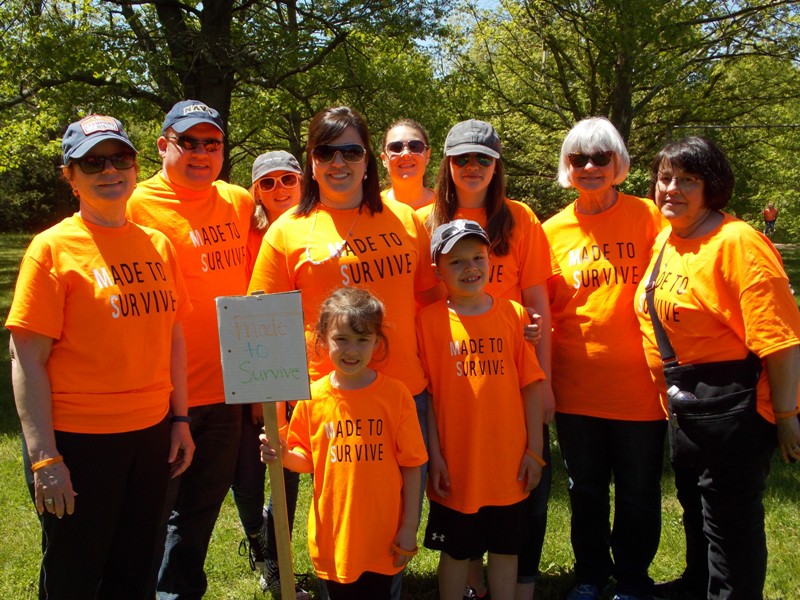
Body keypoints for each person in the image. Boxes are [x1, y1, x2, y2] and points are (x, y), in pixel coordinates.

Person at [248, 104, 439, 599]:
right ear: (311, 161)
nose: (339, 162)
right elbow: (261, 321)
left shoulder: (405, 220)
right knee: (341, 514)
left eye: (351, 151)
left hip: (405, 393)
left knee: (395, 513)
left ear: (367, 161)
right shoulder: (287, 231)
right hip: (330, 399)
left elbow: (430, 299)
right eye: (326, 152)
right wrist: (270, 405)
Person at [7, 114, 194, 599]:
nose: (109, 170)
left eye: (119, 158)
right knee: (75, 575)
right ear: (69, 177)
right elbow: (25, 357)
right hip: (79, 443)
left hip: (151, 436)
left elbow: (173, 334)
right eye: (92, 163)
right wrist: (45, 458)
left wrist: (180, 419)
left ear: (135, 166)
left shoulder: (157, 244)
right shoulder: (51, 250)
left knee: (136, 572)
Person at [636, 136, 800, 600]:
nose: (671, 188)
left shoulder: (738, 244)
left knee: (730, 523)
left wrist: (786, 416)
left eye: (687, 179)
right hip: (689, 407)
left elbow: (781, 340)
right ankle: (696, 586)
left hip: (734, 410)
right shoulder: (668, 237)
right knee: (697, 508)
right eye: (665, 178)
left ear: (712, 186)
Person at [126, 100, 254, 598]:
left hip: (227, 391)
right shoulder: (134, 204)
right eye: (189, 142)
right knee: (149, 516)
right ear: (163, 145)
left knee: (199, 514)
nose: (201, 153)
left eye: (212, 143)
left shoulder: (238, 201)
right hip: (163, 395)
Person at [419, 119, 553, 600]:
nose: (473, 166)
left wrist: (545, 383)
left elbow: (536, 302)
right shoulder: (423, 222)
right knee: (459, 547)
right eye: (462, 158)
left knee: (509, 539)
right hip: (455, 427)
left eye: (483, 158)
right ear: (447, 164)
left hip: (508, 428)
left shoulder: (519, 219)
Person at [543, 117, 667, 600]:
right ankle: (590, 575)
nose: (590, 167)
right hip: (576, 387)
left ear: (619, 163)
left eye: (601, 157)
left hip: (641, 387)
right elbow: (542, 306)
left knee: (639, 492)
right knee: (586, 490)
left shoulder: (650, 217)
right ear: (567, 166)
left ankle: (633, 579)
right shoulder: (551, 231)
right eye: (579, 158)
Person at [259, 286, 427, 599]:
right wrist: (282, 454)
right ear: (323, 339)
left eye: (362, 339)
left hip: (382, 535)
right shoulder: (312, 398)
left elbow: (413, 464)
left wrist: (408, 527)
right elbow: (305, 459)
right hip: (334, 538)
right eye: (341, 339)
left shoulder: (396, 395)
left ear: (377, 341)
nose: (352, 349)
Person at [234, 149, 308, 597]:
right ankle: (265, 547)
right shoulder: (247, 236)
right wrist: (260, 390)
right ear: (256, 191)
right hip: (259, 361)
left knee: (290, 472)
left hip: (310, 364)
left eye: (288, 179)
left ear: (302, 181)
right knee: (254, 476)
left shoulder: (319, 225)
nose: (279, 188)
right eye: (268, 182)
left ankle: (280, 565)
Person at [380, 118, 435, 209]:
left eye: (415, 146)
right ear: (383, 159)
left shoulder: (449, 207)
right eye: (396, 147)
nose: (406, 154)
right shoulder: (370, 209)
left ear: (427, 156)